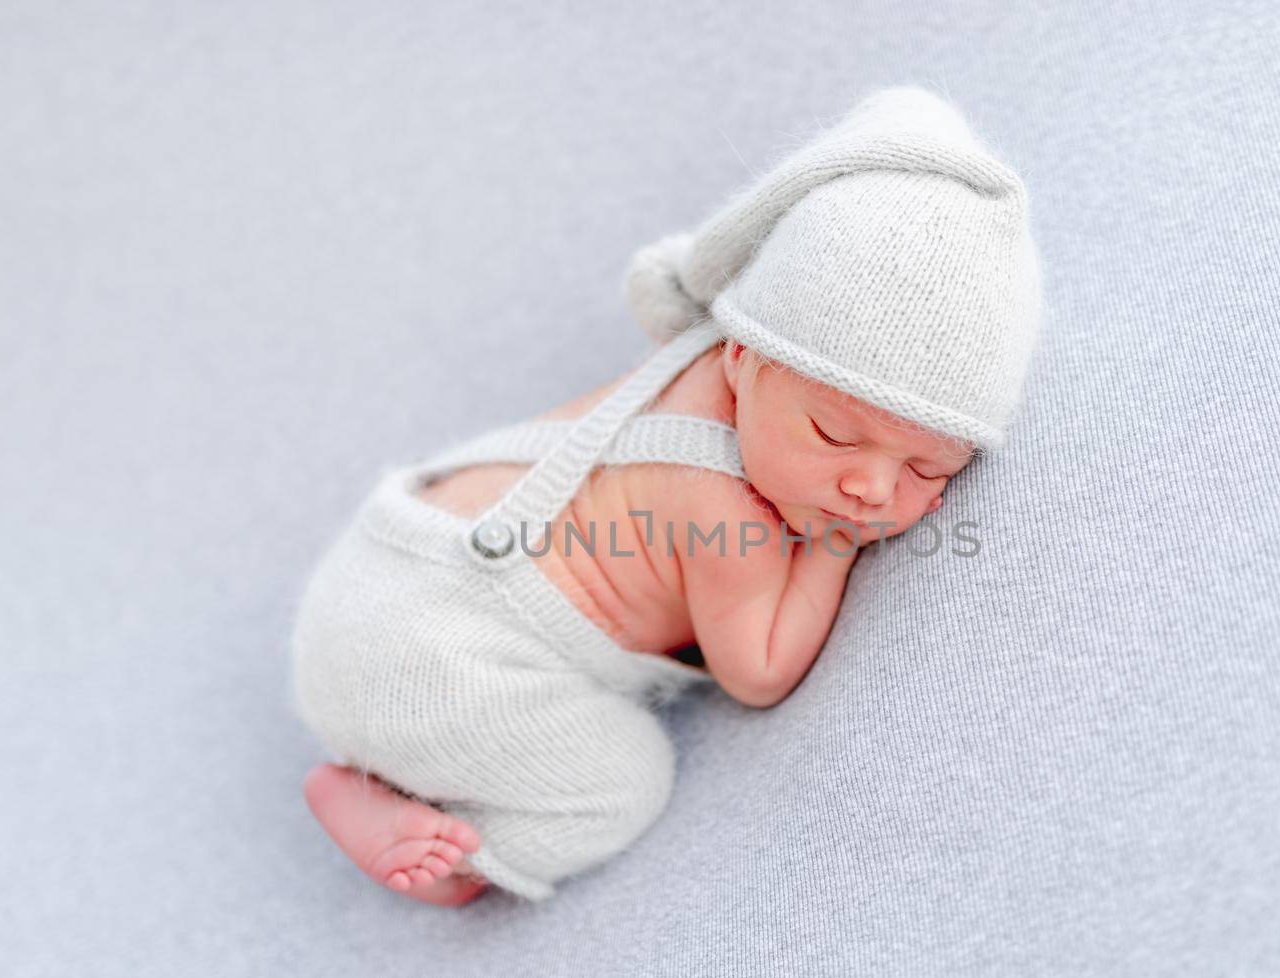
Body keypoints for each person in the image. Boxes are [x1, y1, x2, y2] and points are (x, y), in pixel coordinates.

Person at [288, 85, 1043, 906]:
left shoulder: (714, 358)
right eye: (833, 437)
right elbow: (757, 671)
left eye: (927, 470)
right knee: (623, 782)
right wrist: (832, 550)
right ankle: (430, 847)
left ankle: (379, 772)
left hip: (381, 561)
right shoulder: (724, 508)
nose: (868, 486)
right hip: (435, 663)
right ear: (740, 362)